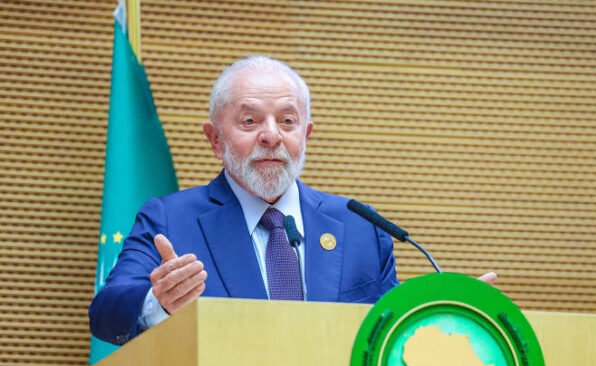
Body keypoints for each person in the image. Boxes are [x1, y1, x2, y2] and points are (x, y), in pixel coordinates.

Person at [89, 56, 496, 346]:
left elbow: (384, 334)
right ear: (215, 140)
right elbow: (105, 313)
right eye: (250, 121)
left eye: (287, 121)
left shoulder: (361, 227)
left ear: (306, 135)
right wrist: (158, 303)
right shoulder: (170, 219)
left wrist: (436, 314)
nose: (271, 136)